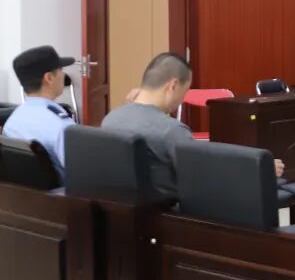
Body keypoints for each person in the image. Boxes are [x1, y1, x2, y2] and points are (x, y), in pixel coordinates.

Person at [103, 53, 284, 197]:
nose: (183, 98)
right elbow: (204, 179)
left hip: (126, 216)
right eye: (185, 90)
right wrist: (258, 169)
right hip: (174, 219)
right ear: (173, 86)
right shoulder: (171, 131)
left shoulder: (111, 119)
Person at [3, 46, 78, 179]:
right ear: (49, 78)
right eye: (61, 70)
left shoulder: (12, 122)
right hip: (65, 192)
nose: (63, 75)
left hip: (24, 191)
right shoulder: (62, 127)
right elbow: (83, 173)